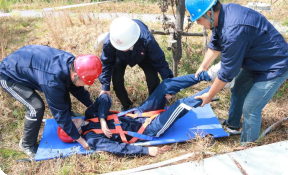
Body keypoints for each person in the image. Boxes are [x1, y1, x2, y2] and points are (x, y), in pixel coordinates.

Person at [185, 0, 288, 145]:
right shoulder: (223, 15)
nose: (198, 23)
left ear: (209, 13)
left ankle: (248, 148)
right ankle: (233, 125)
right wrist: (203, 66)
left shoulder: (233, 30)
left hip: (275, 65)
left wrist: (210, 95)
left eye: (199, 19)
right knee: (238, 88)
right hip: (257, 61)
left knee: (251, 108)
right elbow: (215, 43)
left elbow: (227, 73)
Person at [57, 64, 234, 157]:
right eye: (71, 125)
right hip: (148, 129)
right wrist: (146, 151)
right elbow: (117, 148)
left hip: (140, 112)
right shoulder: (92, 138)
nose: (72, 120)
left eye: (70, 121)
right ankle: (220, 86)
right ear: (76, 132)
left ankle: (206, 75)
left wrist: (102, 119)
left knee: (165, 85)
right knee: (181, 104)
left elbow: (105, 98)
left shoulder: (90, 115)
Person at [0, 45, 102, 157]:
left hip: (28, 64)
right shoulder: (52, 81)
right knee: (36, 107)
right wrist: (81, 140)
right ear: (75, 75)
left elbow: (76, 88)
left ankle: (69, 116)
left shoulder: (73, 64)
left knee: (63, 87)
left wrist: (93, 107)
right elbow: (59, 113)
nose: (85, 86)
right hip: (8, 75)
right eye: (85, 83)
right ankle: (26, 144)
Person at [98, 16, 173, 111]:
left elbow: (160, 61)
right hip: (119, 57)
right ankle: (126, 106)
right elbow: (107, 63)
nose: (124, 49)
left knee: (153, 78)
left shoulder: (146, 39)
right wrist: (105, 87)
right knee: (116, 80)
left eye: (126, 46)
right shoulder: (111, 41)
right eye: (122, 47)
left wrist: (169, 83)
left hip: (142, 54)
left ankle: (153, 104)